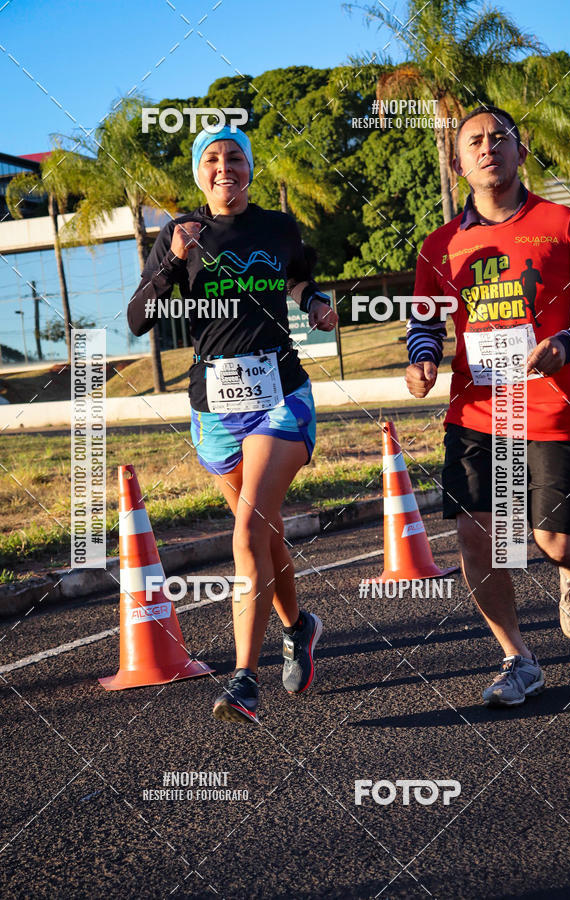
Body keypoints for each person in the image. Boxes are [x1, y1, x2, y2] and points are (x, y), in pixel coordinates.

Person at [127, 124, 337, 724]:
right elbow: (141, 317)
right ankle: (300, 626)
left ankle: (244, 680)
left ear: (250, 169)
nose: (225, 168)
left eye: (236, 158)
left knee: (248, 532)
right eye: (212, 159)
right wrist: (170, 259)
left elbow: (298, 275)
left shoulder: (277, 226)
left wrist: (313, 303)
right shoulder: (179, 233)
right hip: (213, 405)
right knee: (265, 535)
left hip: (280, 393)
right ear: (199, 172)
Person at [406, 105, 570, 707]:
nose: (488, 148)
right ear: (459, 163)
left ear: (520, 150)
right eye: (474, 142)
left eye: (499, 138)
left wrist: (568, 344)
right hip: (476, 417)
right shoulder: (439, 245)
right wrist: (422, 360)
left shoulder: (566, 225)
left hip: (551, 414)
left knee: (552, 541)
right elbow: (423, 325)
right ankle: (518, 659)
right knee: (479, 540)